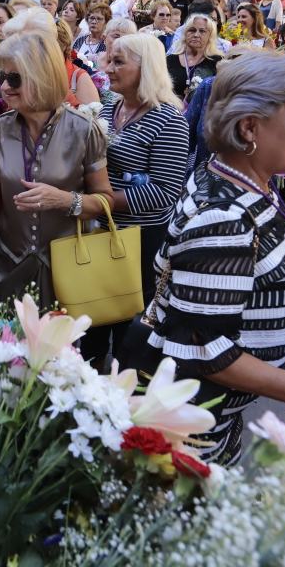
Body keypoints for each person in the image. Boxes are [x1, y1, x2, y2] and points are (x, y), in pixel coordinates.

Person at [136, 51, 285, 466]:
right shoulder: (225, 218)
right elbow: (206, 347)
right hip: (193, 431)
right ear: (249, 128)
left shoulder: (245, 182)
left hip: (215, 417)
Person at [0, 31, 112, 306]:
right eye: (2, 77)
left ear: (42, 78)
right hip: (9, 265)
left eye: (14, 79)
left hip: (65, 268)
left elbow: (105, 200)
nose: (3, 88)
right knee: (4, 346)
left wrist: (64, 199)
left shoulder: (84, 130)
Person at [82, 33, 189, 364]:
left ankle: (124, 390)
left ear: (146, 68)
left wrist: (104, 199)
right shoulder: (112, 104)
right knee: (95, 320)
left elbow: (165, 191)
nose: (108, 68)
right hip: (101, 230)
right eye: (109, 60)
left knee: (129, 322)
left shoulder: (169, 119)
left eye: (118, 62)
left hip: (139, 240)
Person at [166, 12, 224, 98]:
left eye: (202, 31)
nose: (196, 35)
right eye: (192, 30)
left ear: (210, 36)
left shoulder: (217, 62)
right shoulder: (170, 60)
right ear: (185, 34)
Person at [72, 3, 110, 70]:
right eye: (92, 18)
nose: (94, 22)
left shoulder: (107, 43)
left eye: (99, 19)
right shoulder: (80, 40)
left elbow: (103, 66)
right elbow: (71, 59)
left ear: (106, 22)